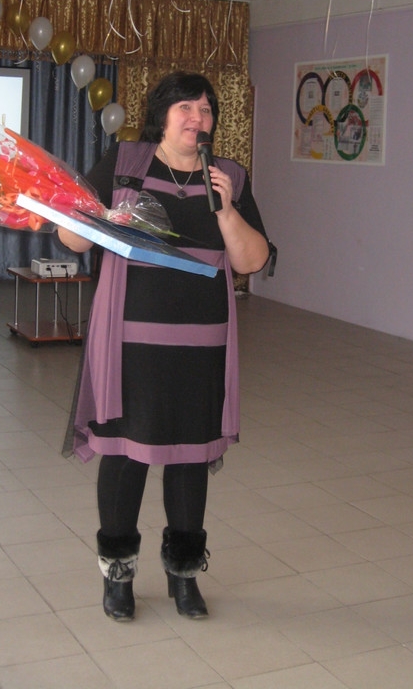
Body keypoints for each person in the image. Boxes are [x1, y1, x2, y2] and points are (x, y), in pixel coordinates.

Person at [59, 71, 271, 621]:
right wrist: (93, 216)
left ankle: (184, 573)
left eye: (206, 109)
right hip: (130, 340)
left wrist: (226, 210)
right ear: (162, 115)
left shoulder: (229, 175)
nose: (197, 119)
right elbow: (72, 237)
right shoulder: (126, 162)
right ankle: (118, 574)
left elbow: (252, 260)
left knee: (190, 457)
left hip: (202, 343)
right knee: (124, 454)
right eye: (185, 108)